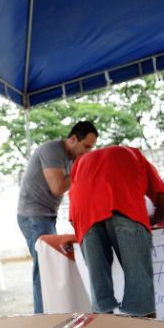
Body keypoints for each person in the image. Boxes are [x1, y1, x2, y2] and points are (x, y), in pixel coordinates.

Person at [69, 145, 164, 318]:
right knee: (140, 289)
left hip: (84, 214)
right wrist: (148, 221)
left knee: (100, 296)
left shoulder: (80, 162)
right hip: (124, 207)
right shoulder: (135, 154)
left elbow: (75, 212)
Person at [16, 121, 99, 313]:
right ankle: (42, 318)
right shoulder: (51, 150)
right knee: (43, 268)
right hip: (33, 216)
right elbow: (58, 187)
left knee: (49, 265)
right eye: (86, 146)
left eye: (91, 148)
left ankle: (51, 313)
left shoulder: (71, 158)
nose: (87, 152)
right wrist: (83, 169)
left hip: (47, 216)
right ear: (72, 139)